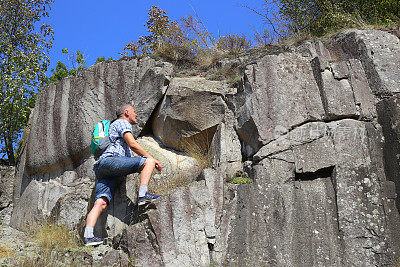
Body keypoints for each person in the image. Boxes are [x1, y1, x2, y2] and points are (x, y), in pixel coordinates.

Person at [83, 104, 163, 246]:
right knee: (148, 162)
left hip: (102, 168)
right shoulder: (122, 123)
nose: (136, 115)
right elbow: (132, 144)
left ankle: (88, 236)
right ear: (126, 112)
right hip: (111, 161)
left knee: (100, 203)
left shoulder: (115, 125)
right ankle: (143, 195)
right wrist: (153, 159)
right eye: (134, 112)